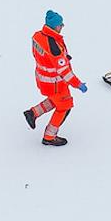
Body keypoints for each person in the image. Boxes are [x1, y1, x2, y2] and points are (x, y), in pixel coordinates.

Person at [23, 10, 88, 146]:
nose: (62, 26)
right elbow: (64, 71)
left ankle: (33, 113)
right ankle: (49, 137)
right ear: (54, 26)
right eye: (60, 24)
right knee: (65, 107)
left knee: (56, 100)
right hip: (55, 83)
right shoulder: (54, 46)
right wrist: (79, 84)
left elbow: (41, 56)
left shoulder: (37, 36)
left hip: (43, 79)